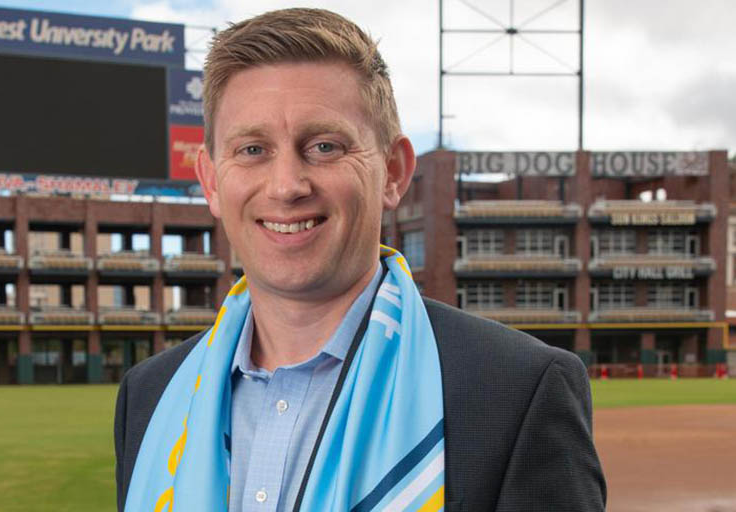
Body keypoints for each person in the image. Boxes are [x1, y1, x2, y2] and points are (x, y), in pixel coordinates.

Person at [114, 8, 606, 512]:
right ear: (212, 181)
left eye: (325, 146)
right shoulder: (149, 395)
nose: (286, 186)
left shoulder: (518, 391)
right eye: (253, 148)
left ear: (393, 171)